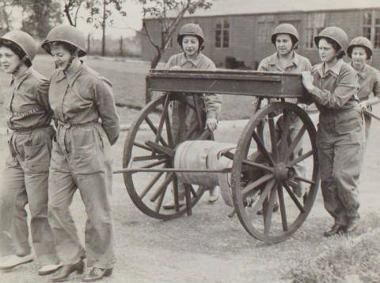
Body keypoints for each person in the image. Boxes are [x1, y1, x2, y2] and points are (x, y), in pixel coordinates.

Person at [41, 24, 120, 282]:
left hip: (89, 144)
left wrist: (97, 147)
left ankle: (101, 262)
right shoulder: (55, 78)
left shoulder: (94, 81)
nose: (56, 58)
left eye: (61, 53)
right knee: (55, 205)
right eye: (53, 53)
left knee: (97, 209)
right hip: (62, 146)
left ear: (74, 52)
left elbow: (111, 123)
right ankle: (72, 258)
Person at [0, 30, 61, 275]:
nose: (2, 60)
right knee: (6, 198)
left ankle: (49, 256)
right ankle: (21, 251)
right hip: (16, 147)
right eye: (0, 56)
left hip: (37, 146)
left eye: (7, 56)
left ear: (23, 57)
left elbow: (57, 113)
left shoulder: (39, 83)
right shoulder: (13, 81)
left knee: (39, 206)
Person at [301, 27, 365, 237]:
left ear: (338, 50)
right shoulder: (316, 71)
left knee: (342, 175)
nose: (322, 52)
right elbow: (307, 97)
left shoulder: (348, 72)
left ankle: (353, 217)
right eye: (320, 48)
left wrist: (311, 88)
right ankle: (338, 219)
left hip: (348, 128)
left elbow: (336, 101)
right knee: (327, 178)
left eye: (326, 48)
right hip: (326, 128)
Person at [162, 23, 222, 209]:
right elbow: (163, 84)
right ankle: (178, 196)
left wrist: (212, 115)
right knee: (176, 152)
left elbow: (213, 93)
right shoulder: (174, 60)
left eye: (193, 42)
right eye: (186, 41)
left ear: (200, 43)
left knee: (202, 153)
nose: (189, 45)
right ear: (181, 43)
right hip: (178, 112)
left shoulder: (207, 64)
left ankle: (212, 186)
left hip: (198, 114)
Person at [256, 23, 312, 214]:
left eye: (285, 41)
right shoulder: (266, 63)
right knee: (270, 157)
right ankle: (271, 199)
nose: (281, 45)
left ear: (293, 43)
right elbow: (257, 89)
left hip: (294, 116)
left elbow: (310, 90)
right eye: (278, 41)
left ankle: (302, 189)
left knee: (295, 154)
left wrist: (305, 103)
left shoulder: (303, 63)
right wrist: (262, 103)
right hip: (271, 116)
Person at [347, 36, 380, 141]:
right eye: (355, 53)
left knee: (360, 142)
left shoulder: (374, 74)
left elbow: (379, 96)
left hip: (363, 112)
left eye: (361, 54)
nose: (357, 57)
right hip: (344, 110)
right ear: (351, 55)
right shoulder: (343, 70)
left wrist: (367, 102)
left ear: (367, 56)